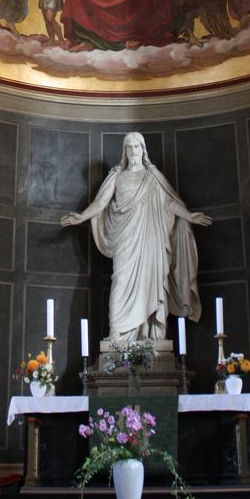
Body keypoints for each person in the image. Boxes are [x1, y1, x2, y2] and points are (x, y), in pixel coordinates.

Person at [60, 133, 211, 342]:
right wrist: (82, 216)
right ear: (124, 151)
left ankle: (151, 335)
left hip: (150, 240)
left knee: (152, 282)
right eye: (129, 147)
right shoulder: (117, 176)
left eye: (137, 146)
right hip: (125, 240)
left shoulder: (153, 177)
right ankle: (117, 332)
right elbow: (101, 203)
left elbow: (168, 203)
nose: (133, 151)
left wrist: (189, 215)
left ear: (143, 149)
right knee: (120, 281)